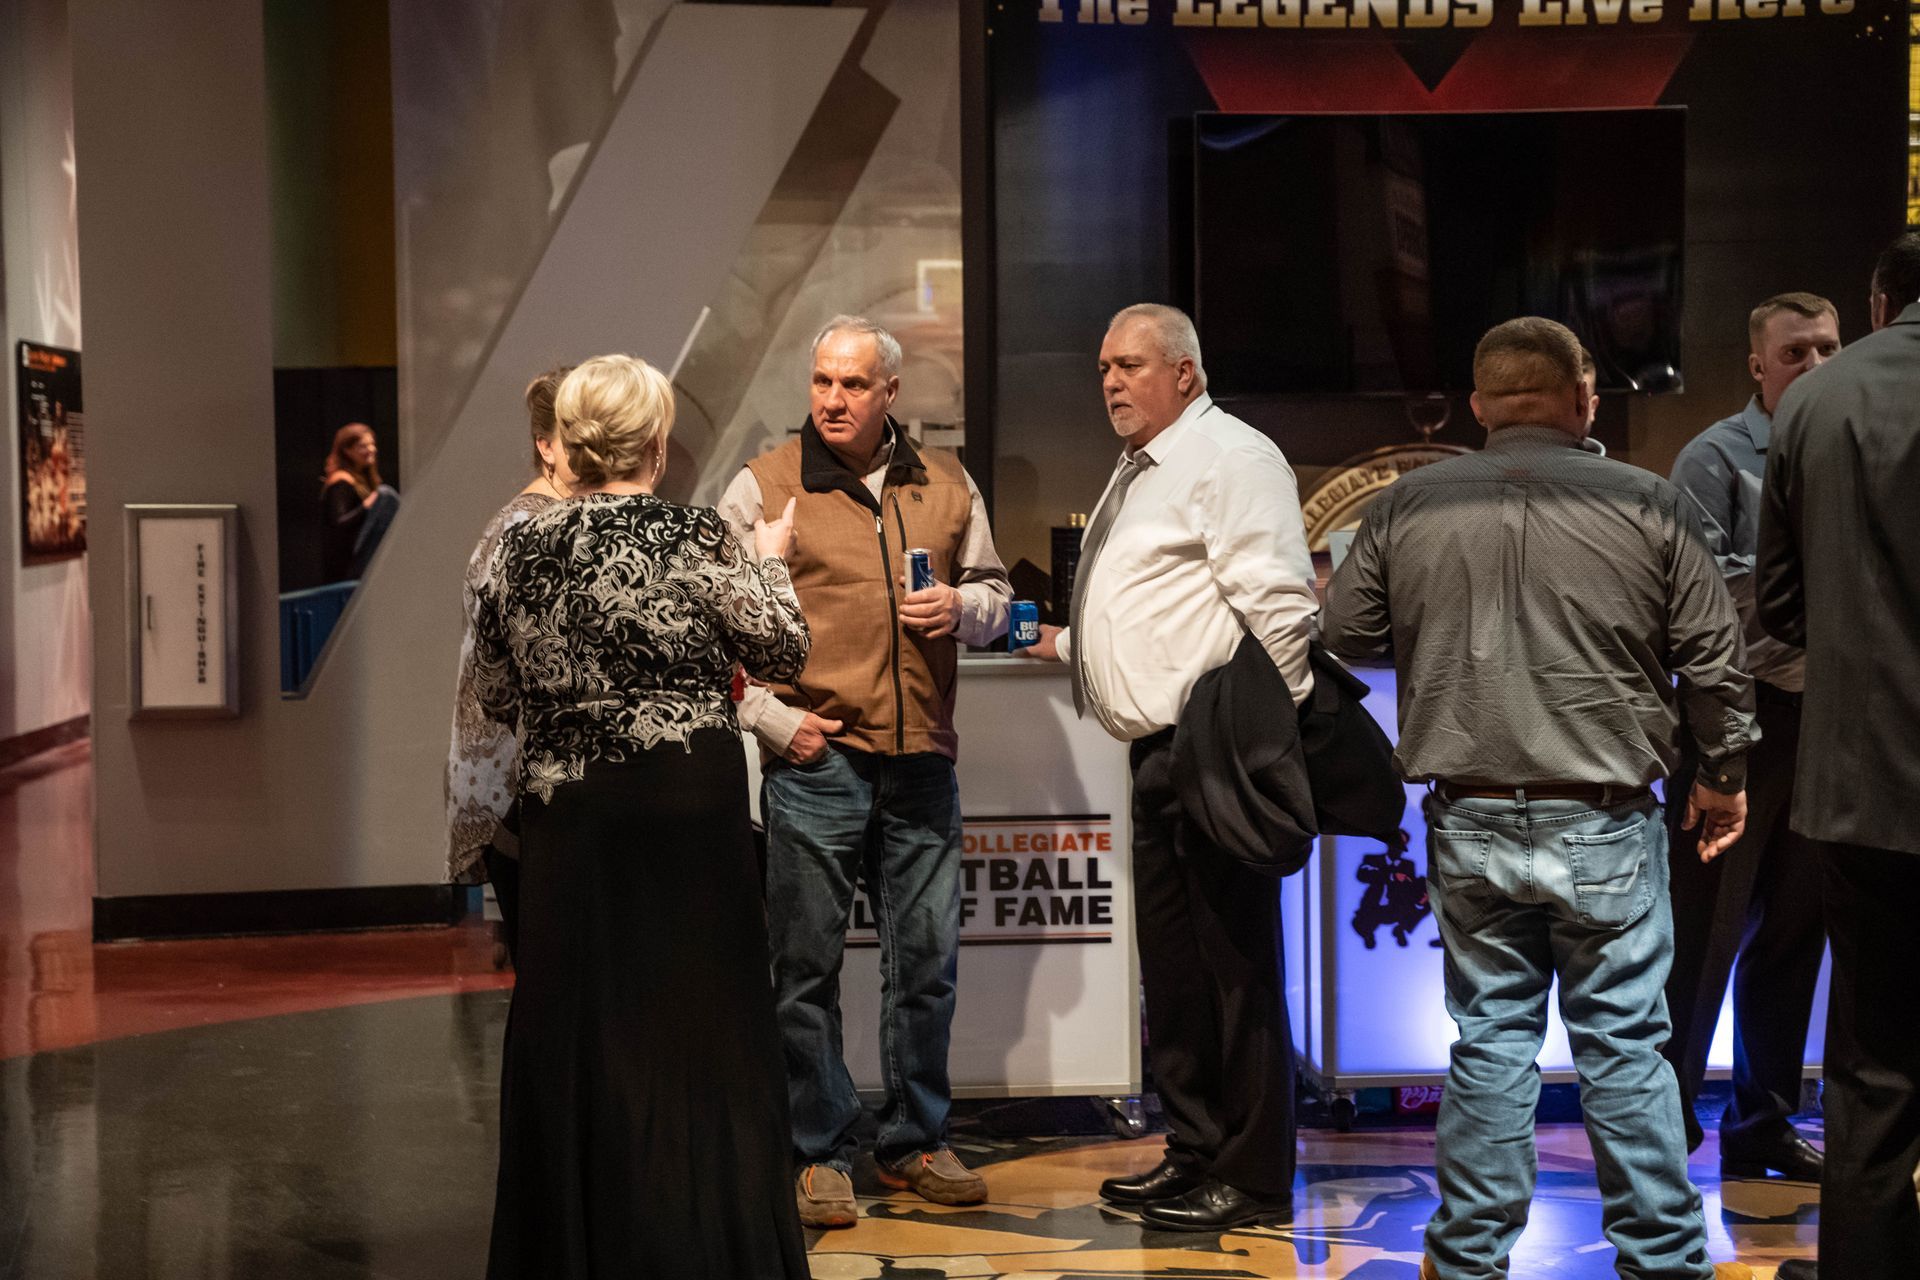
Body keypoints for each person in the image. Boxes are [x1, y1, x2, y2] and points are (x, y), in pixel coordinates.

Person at [1323, 317, 1757, 1280]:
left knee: (1490, 1045)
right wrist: (1724, 780)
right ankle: (1665, 1263)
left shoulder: (1407, 506)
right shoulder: (1654, 504)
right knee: (1627, 1051)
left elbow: (1343, 630)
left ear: (1478, 407)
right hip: (1604, 816)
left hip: (1469, 814)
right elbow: (1717, 665)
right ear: (1583, 400)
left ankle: (1467, 1258)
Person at [473, 354, 812, 1279]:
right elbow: (782, 647)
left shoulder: (513, 544)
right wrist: (769, 565)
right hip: (689, 815)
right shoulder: (700, 538)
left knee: (580, 1028)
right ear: (658, 448)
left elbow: (493, 692)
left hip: (572, 816)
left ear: (569, 444)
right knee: (705, 1034)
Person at [1025, 303, 1318, 1231]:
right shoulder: (1146, 465)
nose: (1111, 380)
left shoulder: (1231, 455)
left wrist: (1261, 746)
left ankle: (1256, 1174)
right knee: (1179, 975)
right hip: (1160, 753)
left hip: (1217, 745)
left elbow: (1281, 605)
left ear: (1185, 373)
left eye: (1131, 364)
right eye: (1104, 365)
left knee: (1235, 971)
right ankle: (1195, 1151)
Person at [718, 316, 1011, 1229]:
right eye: (822, 383)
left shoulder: (948, 483)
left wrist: (964, 607)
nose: (834, 399)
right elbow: (710, 630)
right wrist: (774, 722)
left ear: (892, 394)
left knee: (924, 964)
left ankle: (915, 1139)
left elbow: (1002, 598)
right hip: (818, 762)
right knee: (801, 968)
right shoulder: (764, 485)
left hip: (922, 759)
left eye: (853, 385)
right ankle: (818, 1149)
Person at [1757, 232, 1920, 1280]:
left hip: (1863, 790)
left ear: (1876, 302)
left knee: (1873, 1067)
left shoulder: (1816, 400)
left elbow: (1775, 606)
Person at [1660, 294, 1840, 1178]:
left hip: (1829, 719)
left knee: (1796, 929)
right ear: (1758, 368)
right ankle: (1664, 1126)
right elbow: (1707, 608)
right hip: (1732, 719)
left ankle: (1762, 1120)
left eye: (1830, 348)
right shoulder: (1715, 459)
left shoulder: (1849, 444)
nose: (1816, 364)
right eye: (1796, 351)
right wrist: (1827, 599)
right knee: (1703, 934)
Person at [446, 366, 575, 963]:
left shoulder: (560, 521)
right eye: (579, 435)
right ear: (545, 445)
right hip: (521, 794)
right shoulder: (528, 529)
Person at [320, 422, 400, 582]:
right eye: (363, 446)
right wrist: (368, 504)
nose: (371, 450)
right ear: (347, 450)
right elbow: (339, 522)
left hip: (360, 555)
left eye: (372, 445)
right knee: (385, 495)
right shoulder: (341, 481)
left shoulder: (363, 478)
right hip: (350, 561)